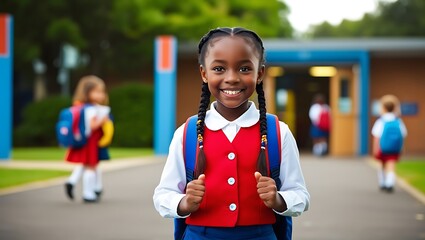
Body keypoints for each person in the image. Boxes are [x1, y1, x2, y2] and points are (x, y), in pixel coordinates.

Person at [153, 27, 309, 239]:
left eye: (244, 69)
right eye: (219, 69)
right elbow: (163, 194)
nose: (232, 78)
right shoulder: (186, 133)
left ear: (260, 73)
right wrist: (184, 203)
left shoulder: (278, 132)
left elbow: (300, 195)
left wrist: (278, 199)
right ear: (204, 73)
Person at [64, 75, 113, 203]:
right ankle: (88, 194)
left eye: (102, 92)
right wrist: (103, 120)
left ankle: (82, 186)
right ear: (87, 93)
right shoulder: (91, 109)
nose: (101, 95)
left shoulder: (83, 107)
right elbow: (92, 125)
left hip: (87, 141)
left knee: (87, 166)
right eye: (97, 92)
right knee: (91, 167)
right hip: (91, 142)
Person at [371, 94, 407, 193]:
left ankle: (382, 182)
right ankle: (389, 183)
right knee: (391, 165)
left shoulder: (381, 121)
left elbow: (376, 137)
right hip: (394, 148)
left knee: (381, 165)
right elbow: (403, 135)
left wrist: (375, 149)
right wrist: (402, 148)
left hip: (382, 148)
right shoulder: (398, 121)